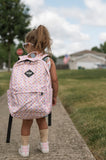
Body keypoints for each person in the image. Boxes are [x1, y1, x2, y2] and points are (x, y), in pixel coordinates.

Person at [18, 25, 58, 157]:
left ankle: (24, 150)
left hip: (25, 100)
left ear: (29, 45)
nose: (25, 48)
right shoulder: (48, 60)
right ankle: (44, 146)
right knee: (42, 121)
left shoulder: (22, 61)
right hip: (41, 99)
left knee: (26, 123)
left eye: (25, 45)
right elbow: (54, 80)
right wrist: (54, 96)